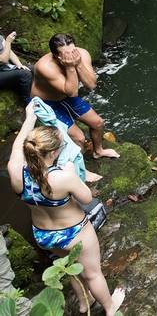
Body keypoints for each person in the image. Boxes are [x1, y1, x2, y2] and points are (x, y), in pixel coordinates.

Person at [7, 101, 125, 315]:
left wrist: (30, 118)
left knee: (67, 265)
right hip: (74, 232)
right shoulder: (62, 176)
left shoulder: (16, 171)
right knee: (93, 274)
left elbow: (17, 147)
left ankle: (83, 301)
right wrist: (71, 170)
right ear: (52, 154)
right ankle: (110, 307)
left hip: (43, 234)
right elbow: (86, 197)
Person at [31, 33, 119, 159]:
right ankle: (80, 169)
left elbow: (91, 85)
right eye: (66, 54)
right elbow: (72, 92)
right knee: (79, 138)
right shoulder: (45, 66)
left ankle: (98, 151)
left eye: (73, 51)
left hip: (65, 97)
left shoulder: (81, 54)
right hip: (46, 103)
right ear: (56, 56)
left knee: (98, 123)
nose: (71, 55)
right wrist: (71, 67)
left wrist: (78, 64)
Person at [0, 31, 32, 101]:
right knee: (25, 74)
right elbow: (3, 59)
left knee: (32, 69)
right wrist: (8, 42)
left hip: (4, 68)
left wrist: (19, 64)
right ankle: (27, 101)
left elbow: (9, 52)